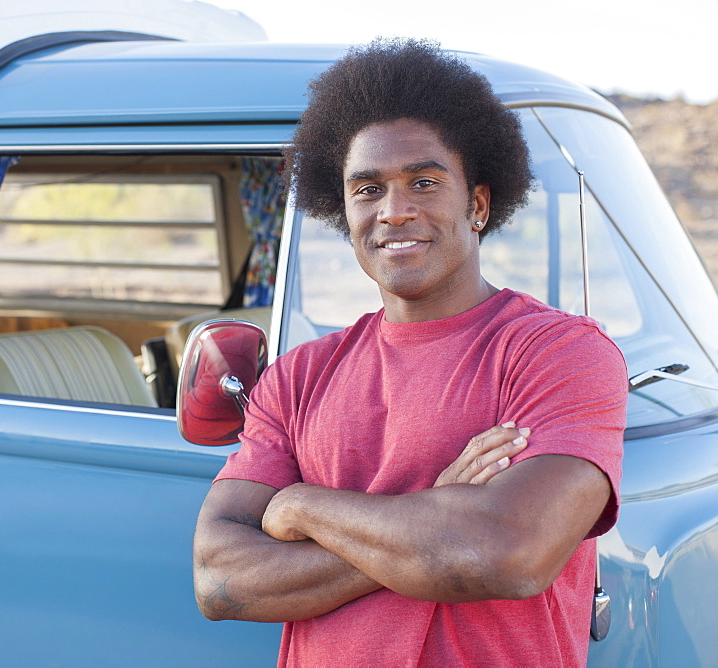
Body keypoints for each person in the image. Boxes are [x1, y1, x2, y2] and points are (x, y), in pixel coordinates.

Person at [192, 38, 627, 666]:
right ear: (342, 209)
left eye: (423, 182)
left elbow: (504, 555)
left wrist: (300, 506)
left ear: (477, 204)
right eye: (367, 190)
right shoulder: (299, 377)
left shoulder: (556, 353)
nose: (394, 212)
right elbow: (220, 581)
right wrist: (433, 518)